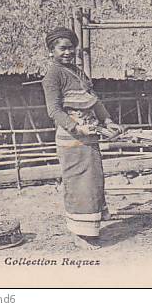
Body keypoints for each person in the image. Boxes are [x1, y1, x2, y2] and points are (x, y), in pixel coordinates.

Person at [41, 27, 123, 249]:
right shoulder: (53, 75)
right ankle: (80, 235)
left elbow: (94, 101)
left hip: (90, 136)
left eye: (71, 48)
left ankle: (90, 230)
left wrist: (107, 121)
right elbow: (54, 110)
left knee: (93, 182)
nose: (68, 52)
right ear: (51, 51)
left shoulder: (78, 72)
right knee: (78, 184)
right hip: (72, 139)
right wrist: (76, 127)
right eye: (63, 48)